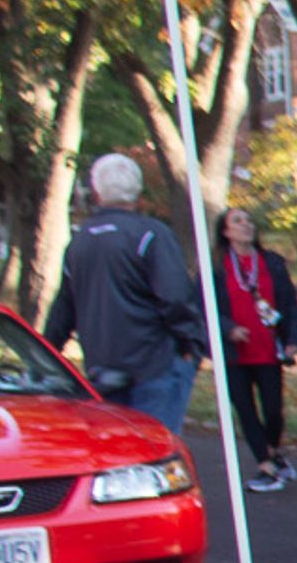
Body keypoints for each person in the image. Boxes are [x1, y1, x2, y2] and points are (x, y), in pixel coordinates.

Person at [43, 152, 205, 436]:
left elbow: (64, 306)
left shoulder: (80, 241)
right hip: (154, 361)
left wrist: (48, 350)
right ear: (138, 191)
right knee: (156, 448)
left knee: (118, 450)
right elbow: (175, 296)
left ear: (96, 192)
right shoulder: (151, 235)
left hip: (102, 362)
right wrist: (191, 341)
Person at [210, 205, 297, 489]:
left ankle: (274, 451)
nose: (246, 225)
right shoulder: (216, 267)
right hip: (235, 355)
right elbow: (205, 307)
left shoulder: (271, 262)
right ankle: (265, 465)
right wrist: (229, 329)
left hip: (267, 350)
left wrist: (292, 340)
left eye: (248, 220)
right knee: (246, 409)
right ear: (226, 232)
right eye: (238, 221)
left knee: (273, 410)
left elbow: (289, 303)